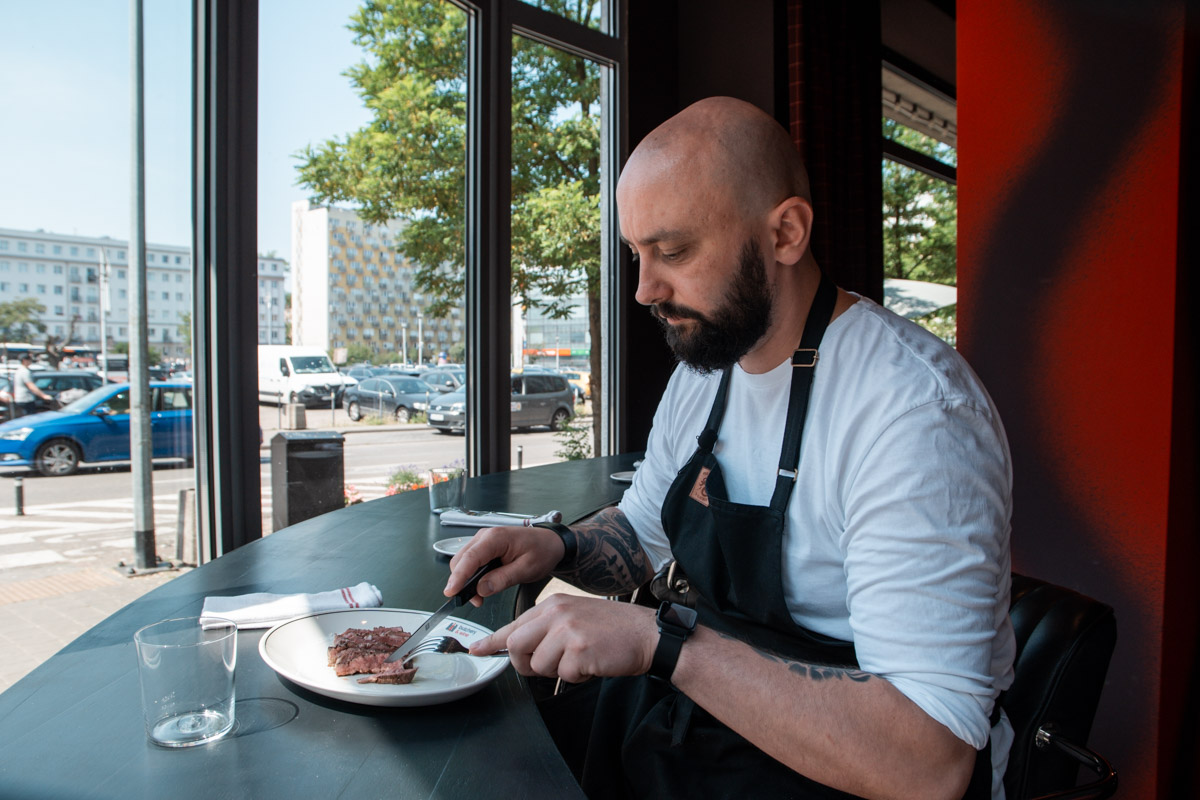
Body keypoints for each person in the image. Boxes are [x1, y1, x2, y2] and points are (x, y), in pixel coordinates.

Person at [446, 96, 1014, 800]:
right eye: (637, 254)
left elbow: (929, 761)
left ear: (785, 233)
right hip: (711, 725)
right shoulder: (705, 372)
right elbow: (643, 529)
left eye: (675, 251)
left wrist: (664, 643)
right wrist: (558, 549)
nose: (646, 290)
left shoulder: (914, 413)